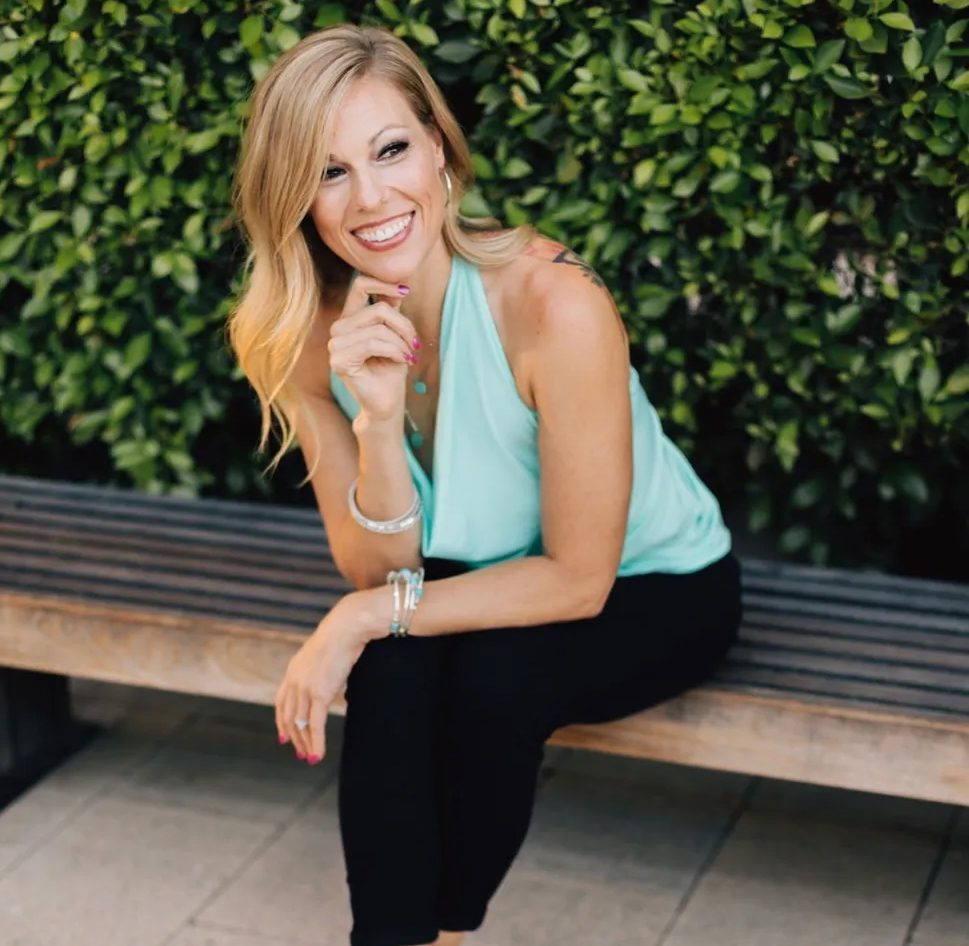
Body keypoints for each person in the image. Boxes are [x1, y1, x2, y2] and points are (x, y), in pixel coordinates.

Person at [228, 22, 742, 946]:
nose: (370, 196)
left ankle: (440, 933)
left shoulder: (553, 304)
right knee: (398, 661)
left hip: (652, 586)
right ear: (294, 198)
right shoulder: (302, 335)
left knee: (485, 672)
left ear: (440, 152)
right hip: (473, 575)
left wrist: (352, 621)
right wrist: (376, 426)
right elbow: (374, 565)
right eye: (328, 169)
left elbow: (577, 582)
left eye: (390, 150)